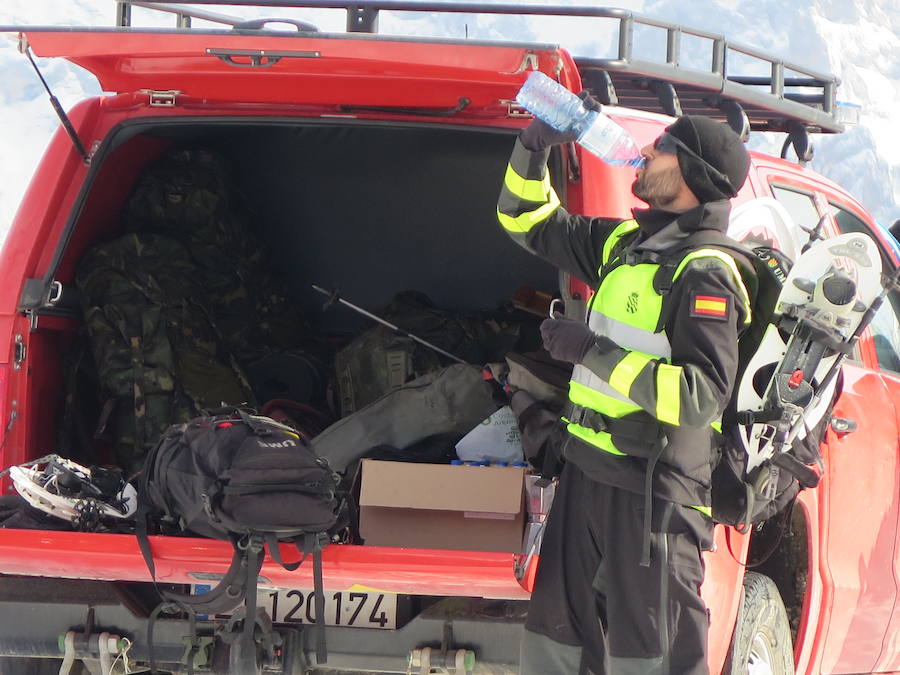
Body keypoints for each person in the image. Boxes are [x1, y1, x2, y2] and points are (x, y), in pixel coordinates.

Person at [497, 97, 754, 675]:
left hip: (654, 496)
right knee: (554, 650)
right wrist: (533, 146)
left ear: (690, 175)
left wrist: (590, 350)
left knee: (651, 661)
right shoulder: (625, 247)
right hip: (586, 474)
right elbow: (524, 219)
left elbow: (699, 395)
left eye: (663, 146)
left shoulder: (706, 273)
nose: (645, 150)